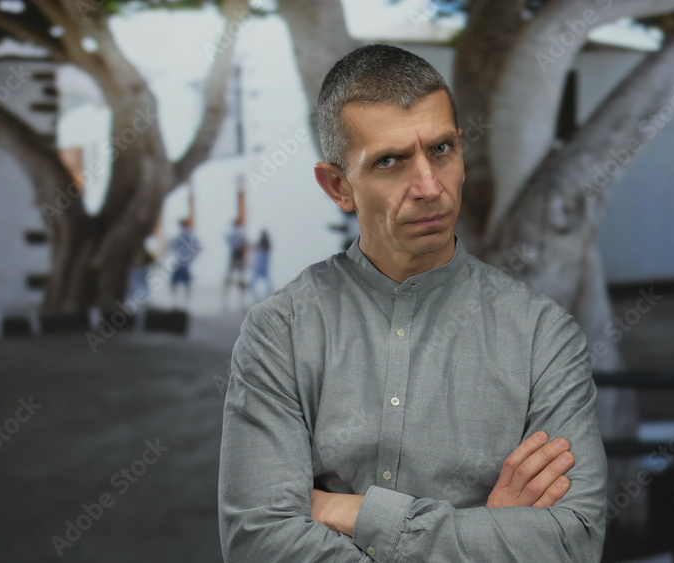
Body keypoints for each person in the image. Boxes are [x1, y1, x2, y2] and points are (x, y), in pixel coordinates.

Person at [218, 44, 606, 562]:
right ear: (338, 186)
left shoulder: (543, 337)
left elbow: (573, 543)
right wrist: (488, 535)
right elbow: (258, 544)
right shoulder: (281, 332)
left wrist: (353, 512)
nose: (428, 186)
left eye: (442, 149)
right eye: (389, 161)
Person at [170, 219, 201, 307]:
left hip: (186, 264)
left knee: (186, 283)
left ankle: (186, 301)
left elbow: (198, 247)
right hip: (179, 262)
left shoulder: (190, 237)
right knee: (176, 282)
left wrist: (192, 256)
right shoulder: (179, 237)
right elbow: (173, 246)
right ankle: (175, 300)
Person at [222, 219, 247, 308]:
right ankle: (227, 299)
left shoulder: (239, 234)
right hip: (235, 256)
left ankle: (240, 300)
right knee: (233, 279)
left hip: (237, 257)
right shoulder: (237, 234)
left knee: (239, 279)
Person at [247, 230, 273, 303]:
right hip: (262, 268)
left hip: (260, 268)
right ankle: (265, 298)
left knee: (253, 284)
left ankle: (261, 298)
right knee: (267, 285)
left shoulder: (262, 245)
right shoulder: (266, 245)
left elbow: (253, 247)